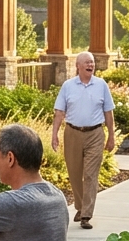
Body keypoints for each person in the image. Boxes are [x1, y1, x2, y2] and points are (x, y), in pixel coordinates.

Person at [50, 52, 116, 230]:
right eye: (87, 62)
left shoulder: (101, 85)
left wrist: (111, 135)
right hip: (72, 133)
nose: (90, 65)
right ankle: (80, 206)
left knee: (90, 175)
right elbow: (59, 112)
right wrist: (54, 134)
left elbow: (108, 112)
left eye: (92, 62)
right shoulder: (68, 86)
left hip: (95, 133)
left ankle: (86, 214)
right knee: (74, 173)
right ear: (78, 66)